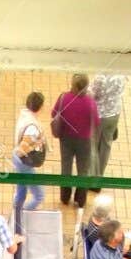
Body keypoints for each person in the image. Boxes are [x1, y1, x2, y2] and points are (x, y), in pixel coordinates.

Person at [50, 73, 100, 206]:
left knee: (66, 166)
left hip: (66, 138)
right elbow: (96, 121)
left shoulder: (64, 98)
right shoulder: (90, 102)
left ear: (75, 86)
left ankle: (65, 196)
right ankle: (80, 199)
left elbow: (54, 113)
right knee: (83, 170)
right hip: (84, 141)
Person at [12, 91, 46, 225]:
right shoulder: (32, 128)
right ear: (40, 107)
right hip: (24, 163)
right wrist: (37, 143)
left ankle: (17, 210)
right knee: (39, 196)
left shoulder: (24, 114)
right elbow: (22, 151)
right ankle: (21, 215)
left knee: (21, 191)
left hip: (18, 159)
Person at [90, 73, 127, 176]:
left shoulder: (101, 77)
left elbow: (92, 94)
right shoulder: (121, 74)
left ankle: (92, 176)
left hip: (99, 115)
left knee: (94, 145)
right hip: (114, 114)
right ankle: (100, 175)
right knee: (106, 145)